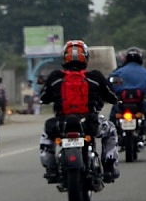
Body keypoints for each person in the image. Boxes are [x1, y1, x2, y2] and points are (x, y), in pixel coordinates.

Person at [38, 40, 120, 183]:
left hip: (61, 123)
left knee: (47, 133)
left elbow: (43, 98)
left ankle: (51, 169)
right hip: (89, 123)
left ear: (64, 58)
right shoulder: (95, 77)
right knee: (111, 129)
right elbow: (112, 97)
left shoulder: (55, 77)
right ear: (86, 57)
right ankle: (109, 167)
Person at [109, 47, 146, 145]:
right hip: (140, 103)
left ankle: (113, 134)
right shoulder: (145, 72)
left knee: (113, 115)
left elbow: (109, 82)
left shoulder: (119, 71)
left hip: (122, 104)